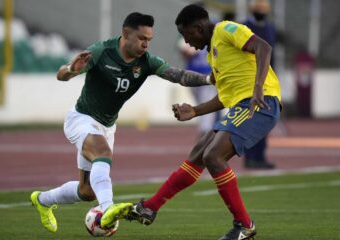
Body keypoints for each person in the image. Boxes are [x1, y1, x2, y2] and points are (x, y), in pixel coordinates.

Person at [29, 12, 212, 233]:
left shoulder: (147, 62)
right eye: (142, 38)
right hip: (82, 119)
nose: (146, 44)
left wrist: (210, 79)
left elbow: (179, 75)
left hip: (107, 127)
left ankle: (42, 200)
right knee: (102, 153)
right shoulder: (100, 52)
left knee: (87, 192)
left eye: (149, 40)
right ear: (126, 34)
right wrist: (70, 70)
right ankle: (108, 210)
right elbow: (61, 75)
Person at [128, 5, 281, 240]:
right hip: (241, 104)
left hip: (260, 102)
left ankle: (244, 225)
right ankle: (151, 206)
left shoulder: (227, 29)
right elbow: (225, 96)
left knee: (213, 156)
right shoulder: (212, 54)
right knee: (199, 153)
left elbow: (263, 47)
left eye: (187, 35)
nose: (187, 42)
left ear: (199, 28)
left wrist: (258, 86)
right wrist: (195, 111)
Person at [242, 0, 277, 169]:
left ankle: (260, 156)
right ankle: (250, 157)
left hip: (267, 82)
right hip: (249, 81)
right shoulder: (243, 27)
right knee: (250, 120)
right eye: (259, 7)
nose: (261, 10)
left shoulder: (270, 28)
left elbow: (272, 56)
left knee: (264, 120)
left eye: (264, 8)